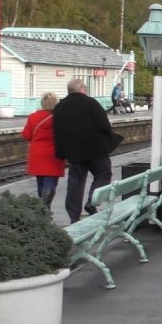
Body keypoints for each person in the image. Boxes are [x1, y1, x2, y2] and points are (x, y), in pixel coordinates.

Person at [54, 78, 117, 222]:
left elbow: (57, 132)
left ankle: (73, 216)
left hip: (74, 152)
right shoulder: (91, 103)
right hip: (96, 150)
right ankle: (92, 201)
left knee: (75, 182)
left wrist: (61, 153)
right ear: (81, 89)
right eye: (85, 88)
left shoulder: (60, 107)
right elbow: (105, 125)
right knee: (103, 174)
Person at [21, 92, 66, 207]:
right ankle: (45, 207)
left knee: (40, 181)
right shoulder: (60, 117)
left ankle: (42, 207)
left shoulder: (33, 117)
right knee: (50, 181)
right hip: (53, 154)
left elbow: (26, 135)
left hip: (37, 154)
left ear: (42, 104)